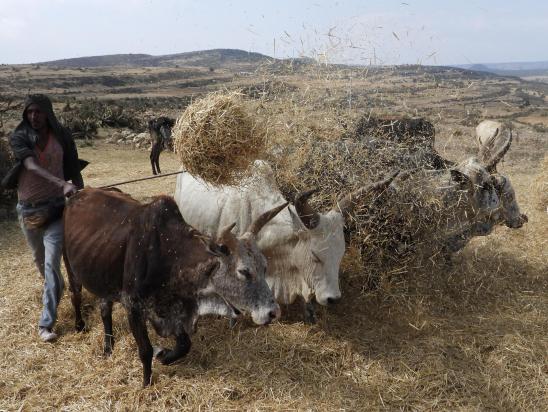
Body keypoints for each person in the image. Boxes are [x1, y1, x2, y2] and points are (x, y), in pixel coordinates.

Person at [5, 94, 85, 342]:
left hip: (57, 210)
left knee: (51, 265)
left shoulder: (62, 136)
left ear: (48, 113)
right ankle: (57, 289)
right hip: (28, 212)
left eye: (38, 112)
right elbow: (30, 166)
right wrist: (61, 183)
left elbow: (73, 167)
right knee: (42, 265)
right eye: (29, 112)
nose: (33, 116)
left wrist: (81, 194)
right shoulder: (19, 137)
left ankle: (46, 324)